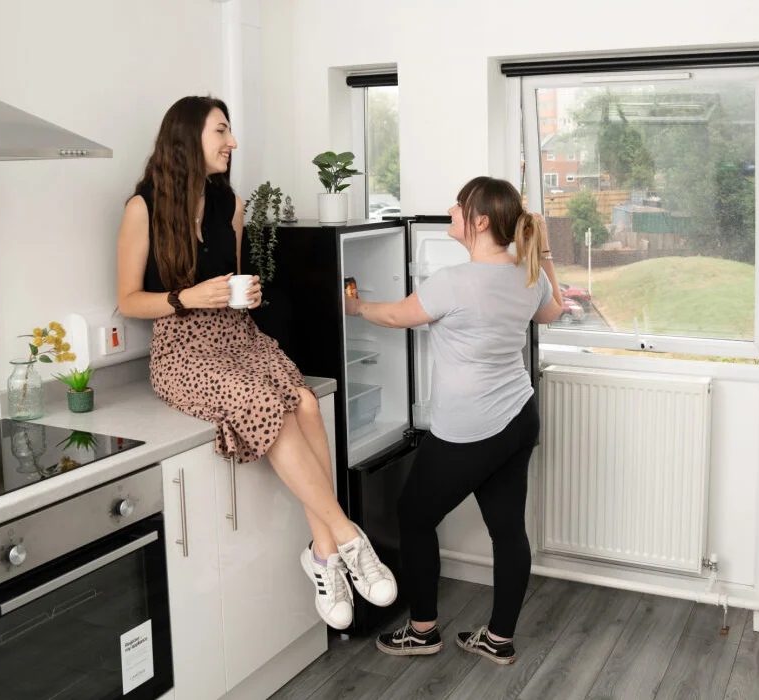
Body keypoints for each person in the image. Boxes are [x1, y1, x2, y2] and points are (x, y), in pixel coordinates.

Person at [116, 96, 396, 630]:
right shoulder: (142, 208)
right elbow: (128, 300)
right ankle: (350, 541)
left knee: (308, 404)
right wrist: (186, 298)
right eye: (222, 131)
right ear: (186, 137)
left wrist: (245, 294)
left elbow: (233, 281)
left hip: (238, 336)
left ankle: (320, 553)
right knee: (269, 400)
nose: (232, 142)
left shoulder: (231, 205)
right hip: (182, 349)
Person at [344, 176, 564, 665]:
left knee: (414, 516)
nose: (451, 210)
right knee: (508, 530)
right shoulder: (529, 275)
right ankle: (498, 639)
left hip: (469, 429)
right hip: (518, 418)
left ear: (480, 221)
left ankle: (423, 631)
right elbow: (553, 313)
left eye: (459, 206)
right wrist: (543, 249)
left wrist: (355, 306)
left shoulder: (454, 281)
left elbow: (396, 317)